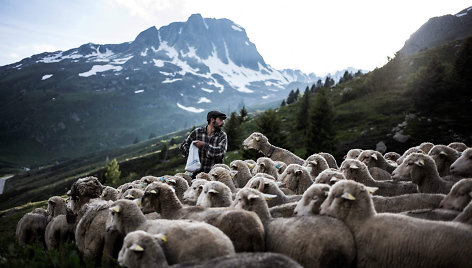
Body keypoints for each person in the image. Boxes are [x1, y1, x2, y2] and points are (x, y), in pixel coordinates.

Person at [180, 110, 228, 178]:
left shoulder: (222, 135)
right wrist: (192, 153)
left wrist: (204, 145)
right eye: (220, 120)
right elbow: (183, 146)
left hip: (214, 176)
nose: (223, 123)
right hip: (195, 176)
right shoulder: (197, 132)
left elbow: (220, 153)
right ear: (212, 120)